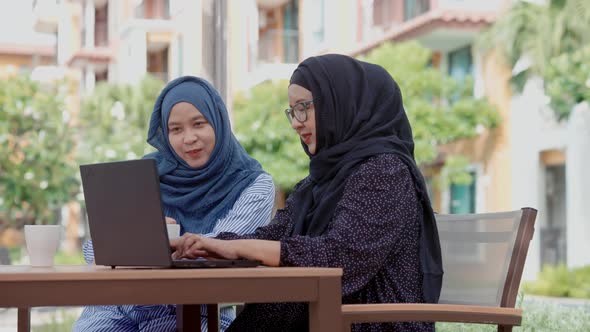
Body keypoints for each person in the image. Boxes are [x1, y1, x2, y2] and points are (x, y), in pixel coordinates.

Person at [171, 54, 444, 332]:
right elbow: (273, 236)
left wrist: (234, 248)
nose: (296, 123)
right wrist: (203, 244)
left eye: (304, 108)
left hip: (365, 323)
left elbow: (338, 259)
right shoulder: (318, 182)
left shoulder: (385, 171)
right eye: (292, 111)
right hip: (325, 317)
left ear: (341, 104)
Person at [73, 76, 276, 332]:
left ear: (219, 122)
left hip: (200, 312)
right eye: (176, 129)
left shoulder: (253, 185)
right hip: (120, 307)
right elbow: (96, 251)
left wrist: (153, 244)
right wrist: (149, 239)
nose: (188, 138)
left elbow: (220, 250)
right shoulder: (147, 174)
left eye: (199, 124)